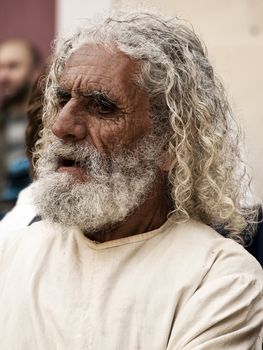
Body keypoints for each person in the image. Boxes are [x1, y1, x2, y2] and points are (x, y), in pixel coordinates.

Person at [0, 10, 262, 349]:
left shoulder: (220, 281)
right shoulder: (13, 255)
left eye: (102, 108)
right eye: (63, 100)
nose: (62, 126)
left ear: (170, 144)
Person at [0, 39, 41, 218]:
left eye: (13, 67)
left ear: (35, 72)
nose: (4, 76)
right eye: (1, 67)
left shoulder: (53, 122)